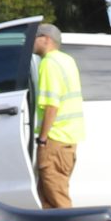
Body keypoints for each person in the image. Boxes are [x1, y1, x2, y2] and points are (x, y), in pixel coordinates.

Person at [31, 22, 85, 207]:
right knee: (48, 199)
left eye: (35, 38)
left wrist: (42, 140)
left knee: (58, 199)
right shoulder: (66, 60)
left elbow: (51, 106)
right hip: (67, 140)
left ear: (46, 39)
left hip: (55, 140)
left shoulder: (49, 63)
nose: (31, 42)